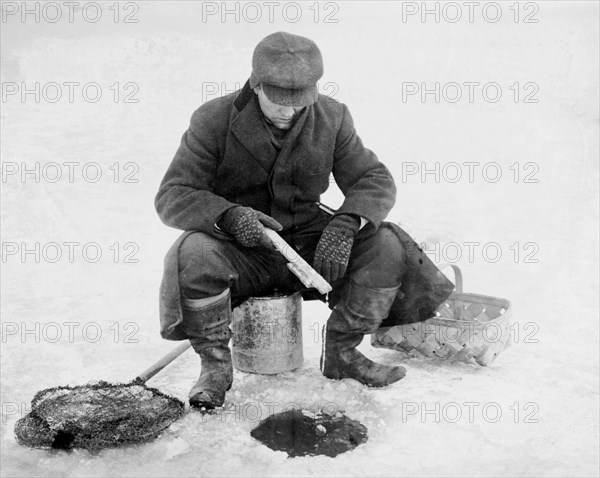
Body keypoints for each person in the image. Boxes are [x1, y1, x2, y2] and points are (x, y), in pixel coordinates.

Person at [155, 31, 453, 410]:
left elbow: (373, 179)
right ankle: (215, 369)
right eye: (279, 100)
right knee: (192, 253)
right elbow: (174, 194)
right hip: (243, 250)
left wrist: (347, 225)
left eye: (299, 102)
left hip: (312, 244)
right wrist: (228, 216)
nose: (289, 111)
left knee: (387, 243)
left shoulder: (332, 116)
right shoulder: (213, 120)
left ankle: (343, 352)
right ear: (256, 84)